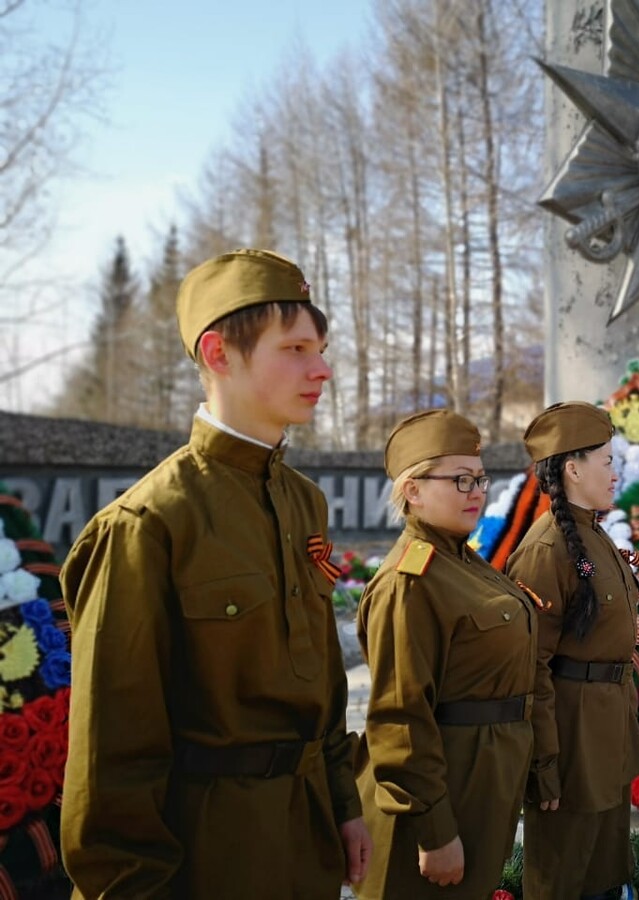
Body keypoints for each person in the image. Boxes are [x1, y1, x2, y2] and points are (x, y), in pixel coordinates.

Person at [60, 248, 370, 897]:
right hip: (207, 860)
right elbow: (111, 757)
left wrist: (344, 806)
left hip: (306, 843)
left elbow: (322, 686)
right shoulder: (148, 523)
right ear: (218, 353)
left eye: (319, 348)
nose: (322, 368)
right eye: (295, 348)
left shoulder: (302, 502)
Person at [353, 410, 537, 899]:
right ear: (413, 490)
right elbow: (399, 718)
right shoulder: (408, 583)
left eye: (478, 478)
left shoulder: (462, 561)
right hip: (435, 810)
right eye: (459, 480)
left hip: (476, 790)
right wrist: (435, 832)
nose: (476, 490)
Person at [505, 401, 639, 900]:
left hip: (606, 733)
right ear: (572, 468)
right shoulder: (547, 551)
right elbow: (530, 666)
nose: (616, 471)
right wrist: (545, 763)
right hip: (570, 743)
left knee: (605, 875)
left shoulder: (592, 535)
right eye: (606, 460)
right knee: (565, 880)